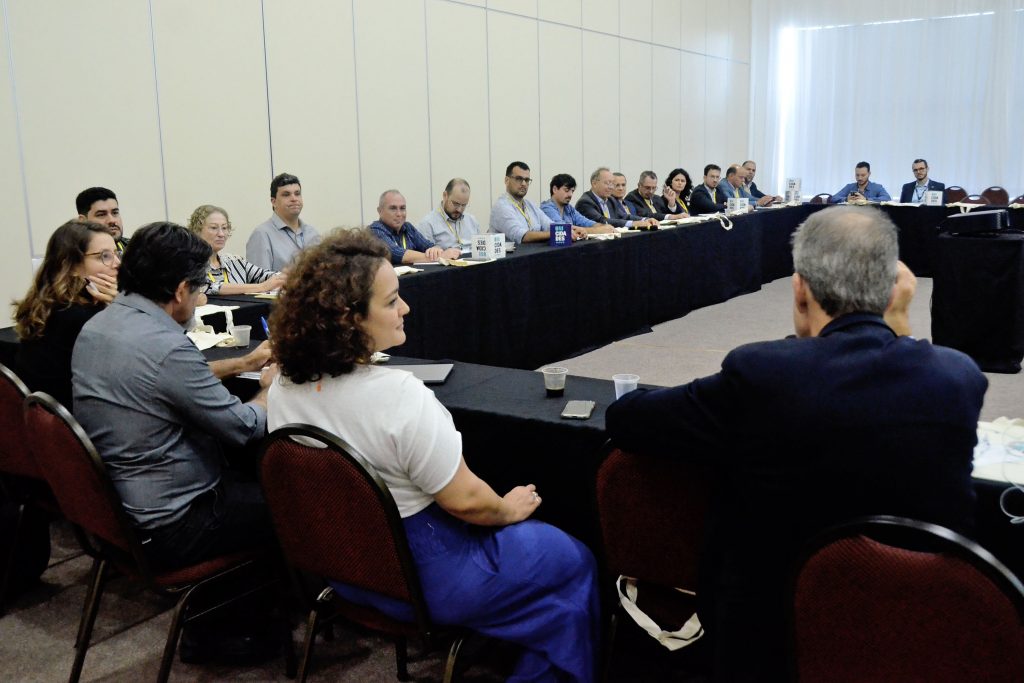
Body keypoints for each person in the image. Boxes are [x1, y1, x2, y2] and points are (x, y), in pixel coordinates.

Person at [606, 205, 987, 681]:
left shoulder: (762, 373)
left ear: (800, 289)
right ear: (894, 292)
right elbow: (896, 377)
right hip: (913, 634)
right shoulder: (958, 379)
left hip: (771, 642)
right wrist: (899, 326)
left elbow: (627, 419)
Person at [267, 229, 601, 682]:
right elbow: (468, 503)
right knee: (575, 559)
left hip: (343, 570)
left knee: (551, 593)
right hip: (426, 579)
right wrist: (508, 508)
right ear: (349, 318)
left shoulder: (283, 387)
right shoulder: (399, 395)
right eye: (391, 302)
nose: (405, 308)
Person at [72, 222, 276, 570]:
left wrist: (242, 363)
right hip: (174, 524)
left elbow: (161, 379)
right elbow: (244, 428)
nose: (198, 300)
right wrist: (270, 390)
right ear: (181, 290)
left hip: (116, 510)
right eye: (199, 291)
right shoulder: (167, 346)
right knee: (301, 501)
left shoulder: (97, 326)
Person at [13, 220, 119, 409]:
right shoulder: (82, 318)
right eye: (104, 256)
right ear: (72, 266)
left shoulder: (51, 304)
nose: (117, 264)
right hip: (79, 417)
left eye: (116, 254)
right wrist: (122, 307)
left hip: (48, 416)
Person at [187, 205, 286, 295]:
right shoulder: (189, 264)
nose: (221, 234)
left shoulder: (234, 261)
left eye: (224, 228)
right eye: (214, 228)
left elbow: (264, 275)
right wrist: (262, 287)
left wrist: (285, 277)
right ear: (197, 230)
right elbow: (208, 287)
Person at [491, 161, 585, 243]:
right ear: (507, 180)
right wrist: (558, 232)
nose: (524, 183)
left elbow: (549, 225)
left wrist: (572, 229)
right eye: (519, 179)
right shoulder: (501, 207)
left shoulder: (530, 205)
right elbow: (521, 236)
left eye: (527, 180)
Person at [245, 172, 320, 271]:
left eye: (297, 194)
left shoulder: (312, 233)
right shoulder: (262, 235)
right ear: (274, 202)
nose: (294, 199)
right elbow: (258, 279)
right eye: (286, 195)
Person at [370, 190, 462, 264]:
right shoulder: (374, 230)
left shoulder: (408, 228)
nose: (399, 214)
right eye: (393, 208)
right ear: (379, 211)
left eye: (402, 208)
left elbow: (428, 246)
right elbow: (397, 254)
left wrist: (436, 249)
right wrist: (439, 257)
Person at [575, 167, 657, 229]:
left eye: (612, 184)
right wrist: (633, 223)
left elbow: (624, 216)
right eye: (607, 183)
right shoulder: (585, 202)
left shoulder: (610, 199)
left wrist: (645, 219)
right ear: (594, 183)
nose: (611, 187)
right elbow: (603, 221)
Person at [416, 178, 482, 251]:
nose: (459, 209)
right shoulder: (427, 224)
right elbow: (426, 255)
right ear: (445, 196)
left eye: (464, 205)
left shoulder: (472, 221)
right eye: (456, 204)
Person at [539, 173, 613, 232]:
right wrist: (596, 231)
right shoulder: (546, 208)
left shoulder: (569, 208)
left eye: (572, 191)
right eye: (566, 190)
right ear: (555, 189)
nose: (570, 194)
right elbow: (563, 229)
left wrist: (603, 227)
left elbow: (586, 222)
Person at [76, 187, 129, 255]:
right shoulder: (73, 255)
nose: (112, 220)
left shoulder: (136, 249)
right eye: (101, 215)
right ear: (83, 221)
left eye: (115, 213)